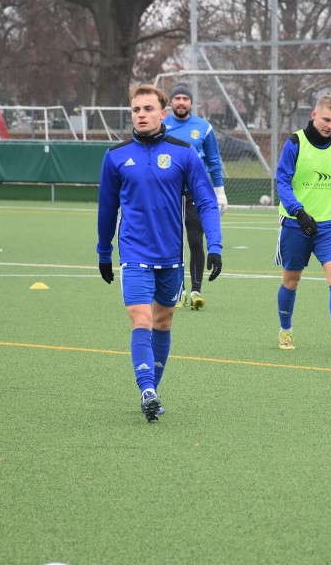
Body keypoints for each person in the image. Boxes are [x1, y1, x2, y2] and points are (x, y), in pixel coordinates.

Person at [96, 84, 223, 423]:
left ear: (162, 113)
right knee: (142, 319)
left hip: (171, 257)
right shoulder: (116, 156)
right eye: (136, 109)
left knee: (164, 322)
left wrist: (216, 244)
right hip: (134, 253)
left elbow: (207, 201)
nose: (141, 115)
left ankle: (151, 389)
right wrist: (103, 251)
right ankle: (147, 390)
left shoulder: (183, 153)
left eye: (148, 109)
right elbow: (106, 210)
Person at [274, 94, 331, 355]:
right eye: (326, 119)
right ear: (314, 114)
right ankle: (286, 329)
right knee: (291, 280)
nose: (330, 125)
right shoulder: (295, 143)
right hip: (295, 224)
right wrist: (299, 212)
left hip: (328, 224)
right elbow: (282, 181)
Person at [162, 82, 227, 311]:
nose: (181, 102)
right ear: (170, 102)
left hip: (195, 195)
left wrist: (219, 193)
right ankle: (176, 291)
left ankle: (196, 290)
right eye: (177, 98)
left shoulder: (203, 127)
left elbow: (214, 162)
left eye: (185, 99)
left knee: (195, 241)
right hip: (168, 196)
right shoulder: (161, 125)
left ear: (191, 103)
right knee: (173, 244)